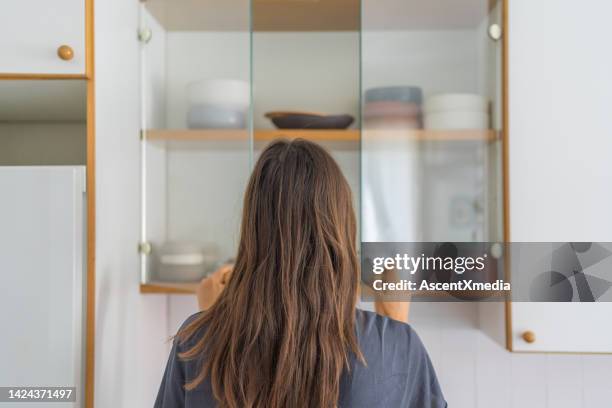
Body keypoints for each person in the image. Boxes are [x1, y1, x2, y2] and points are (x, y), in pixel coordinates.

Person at [155, 139, 446, 408]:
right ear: (341, 232)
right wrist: (393, 333)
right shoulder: (394, 345)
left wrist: (213, 319)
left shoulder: (195, 343)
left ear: (253, 233)